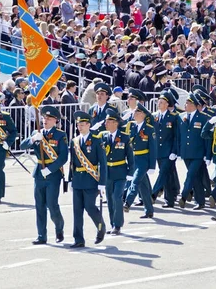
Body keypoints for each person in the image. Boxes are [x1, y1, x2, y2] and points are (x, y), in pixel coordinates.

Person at [21, 106, 67, 245]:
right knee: (39, 205)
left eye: (49, 118)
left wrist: (51, 169)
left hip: (53, 174)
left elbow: (63, 157)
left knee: (52, 205)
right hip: (39, 173)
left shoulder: (60, 135)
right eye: (44, 118)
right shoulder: (37, 132)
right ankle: (41, 235)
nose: (45, 120)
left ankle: (59, 228)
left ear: (55, 121)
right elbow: (23, 146)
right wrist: (33, 139)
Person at [68, 111, 107, 248]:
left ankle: (101, 226)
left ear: (89, 125)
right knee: (77, 211)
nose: (80, 127)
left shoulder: (96, 140)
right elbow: (72, 162)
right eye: (78, 125)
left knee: (90, 207)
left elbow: (103, 163)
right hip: (78, 179)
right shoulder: (74, 141)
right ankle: (78, 239)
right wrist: (70, 179)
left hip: (91, 179)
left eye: (82, 125)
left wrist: (102, 183)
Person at [100, 108, 133, 235]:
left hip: (120, 172)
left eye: (108, 121)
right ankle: (112, 223)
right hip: (108, 172)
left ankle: (118, 225)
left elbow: (130, 157)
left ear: (115, 123)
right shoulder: (103, 136)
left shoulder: (124, 137)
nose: (105, 123)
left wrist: (130, 173)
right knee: (109, 198)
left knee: (117, 197)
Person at [178, 93, 211, 210]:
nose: (186, 105)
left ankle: (183, 195)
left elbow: (206, 138)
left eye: (188, 103)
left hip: (198, 153)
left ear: (195, 105)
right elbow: (179, 136)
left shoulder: (203, 117)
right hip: (186, 152)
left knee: (190, 174)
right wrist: (177, 151)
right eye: (186, 103)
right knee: (195, 177)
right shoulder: (181, 117)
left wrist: (208, 155)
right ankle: (200, 201)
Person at [123, 103, 157, 218]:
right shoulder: (130, 126)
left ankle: (127, 202)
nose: (135, 114)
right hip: (133, 159)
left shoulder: (149, 129)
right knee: (143, 187)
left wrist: (152, 165)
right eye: (135, 112)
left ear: (143, 115)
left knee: (135, 181)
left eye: (137, 112)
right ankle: (149, 210)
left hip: (143, 160)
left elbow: (153, 148)